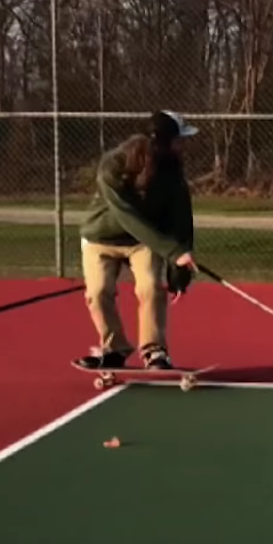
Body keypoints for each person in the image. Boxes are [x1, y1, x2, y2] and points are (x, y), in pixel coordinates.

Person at [73, 110, 199, 371]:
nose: (183, 145)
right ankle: (114, 349)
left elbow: (181, 220)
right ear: (163, 142)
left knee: (151, 288)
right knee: (98, 293)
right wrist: (172, 251)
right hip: (101, 238)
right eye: (179, 140)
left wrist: (179, 272)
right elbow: (126, 216)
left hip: (143, 243)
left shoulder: (173, 172)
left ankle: (155, 352)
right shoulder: (114, 165)